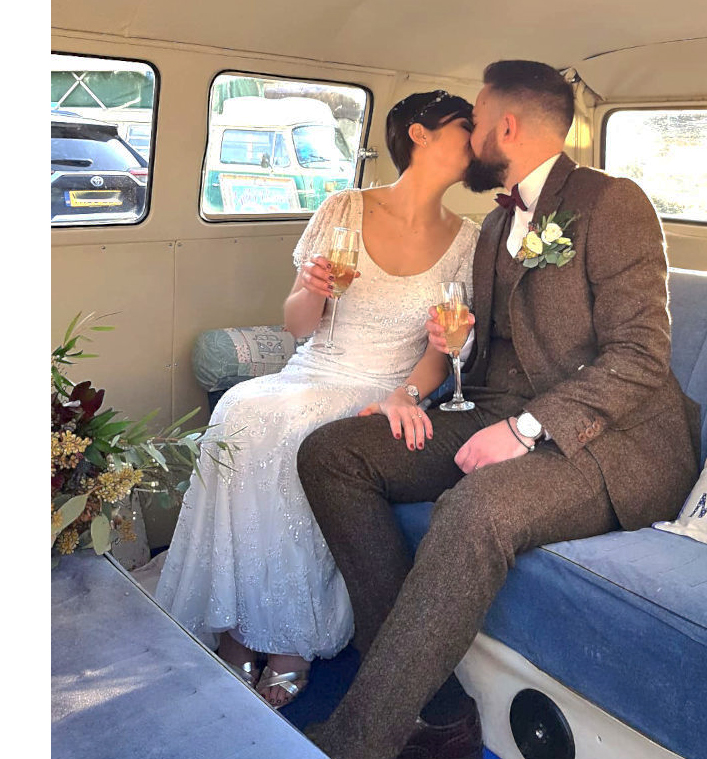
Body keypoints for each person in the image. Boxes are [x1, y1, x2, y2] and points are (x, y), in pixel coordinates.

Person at [297, 61, 704, 759]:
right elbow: (480, 347)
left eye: (477, 124)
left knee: (475, 507)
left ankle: (356, 739)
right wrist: (413, 389)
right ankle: (437, 704)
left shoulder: (614, 205)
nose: (471, 140)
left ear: (506, 128)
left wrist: (524, 430)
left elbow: (640, 355)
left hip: (610, 441)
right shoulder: (492, 225)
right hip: (498, 407)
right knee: (334, 453)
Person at [152, 90, 480, 708]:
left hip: (383, 386)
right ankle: (240, 627)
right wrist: (310, 287)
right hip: (313, 365)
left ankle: (288, 644)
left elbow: (444, 343)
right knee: (240, 410)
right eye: (467, 128)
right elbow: (298, 325)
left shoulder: (468, 238)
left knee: (285, 426)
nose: (477, 141)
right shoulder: (342, 207)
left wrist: (406, 393)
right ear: (421, 134)